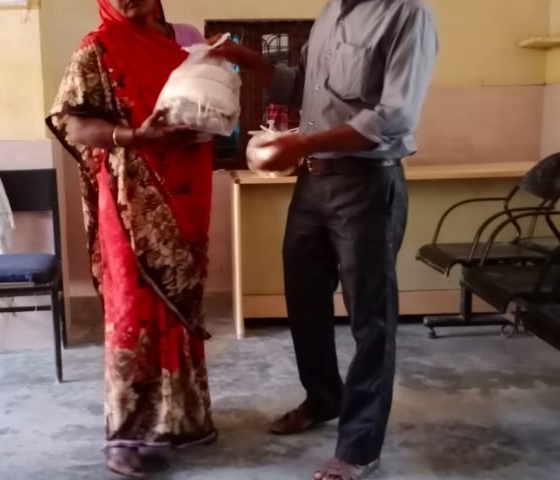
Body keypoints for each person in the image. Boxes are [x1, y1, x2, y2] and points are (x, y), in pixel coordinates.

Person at [212, 0, 438, 478]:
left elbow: (395, 114)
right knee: (304, 298)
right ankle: (323, 398)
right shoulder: (331, 12)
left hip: (367, 184)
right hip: (312, 183)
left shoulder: (406, 14)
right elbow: (302, 87)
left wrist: (302, 143)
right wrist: (247, 59)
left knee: (371, 319)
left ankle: (359, 448)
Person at [46, 1, 216, 477]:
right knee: (132, 307)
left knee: (179, 305)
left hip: (185, 190)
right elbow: (76, 125)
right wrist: (137, 136)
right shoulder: (97, 49)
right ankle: (126, 434)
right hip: (127, 199)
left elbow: (213, 99)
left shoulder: (183, 40)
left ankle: (182, 421)